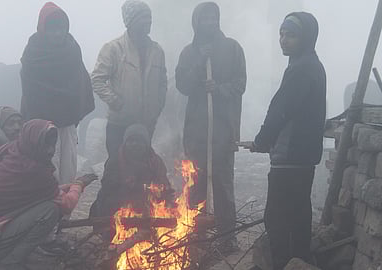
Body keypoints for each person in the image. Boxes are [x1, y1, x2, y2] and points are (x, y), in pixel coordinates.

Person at [0, 119, 97, 269]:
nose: (50, 150)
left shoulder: (13, 153)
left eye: (52, 144)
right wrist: (79, 185)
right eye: (46, 144)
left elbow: (47, 192)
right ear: (34, 142)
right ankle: (10, 263)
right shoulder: (33, 169)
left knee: (47, 204)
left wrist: (69, 186)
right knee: (50, 210)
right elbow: (67, 205)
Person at [245, 12, 326, 269]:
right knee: (298, 215)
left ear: (306, 38)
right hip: (302, 158)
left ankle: (284, 263)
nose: (283, 40)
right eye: (281, 34)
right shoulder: (309, 64)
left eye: (291, 35)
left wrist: (262, 140)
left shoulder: (301, 70)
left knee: (278, 219)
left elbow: (281, 111)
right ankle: (300, 259)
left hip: (290, 158)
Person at [175, 2, 246, 250]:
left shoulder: (233, 49)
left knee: (223, 185)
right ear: (196, 23)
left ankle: (228, 237)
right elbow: (182, 85)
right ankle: (198, 235)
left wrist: (220, 89)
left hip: (223, 130)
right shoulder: (188, 53)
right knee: (196, 184)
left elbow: (240, 84)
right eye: (204, 18)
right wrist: (199, 64)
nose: (209, 22)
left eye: (213, 17)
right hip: (196, 132)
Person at [20, 2, 94, 184]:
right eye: (52, 29)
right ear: (43, 29)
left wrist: (76, 110)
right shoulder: (33, 52)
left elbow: (81, 82)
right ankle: (45, 208)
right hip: (41, 124)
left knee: (67, 169)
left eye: (61, 28)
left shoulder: (72, 49)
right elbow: (31, 90)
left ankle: (64, 209)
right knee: (43, 169)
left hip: (68, 122)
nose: (58, 33)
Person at [92, 0, 167, 159]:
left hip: (146, 124)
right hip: (120, 123)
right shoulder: (113, 49)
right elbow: (97, 80)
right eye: (142, 19)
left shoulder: (157, 50)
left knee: (142, 168)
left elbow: (162, 83)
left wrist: (158, 106)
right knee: (116, 166)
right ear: (130, 22)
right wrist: (115, 101)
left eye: (149, 18)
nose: (147, 22)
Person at [89, 124, 174, 240]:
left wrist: (162, 193)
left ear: (146, 144)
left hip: (147, 204)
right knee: (108, 201)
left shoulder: (155, 161)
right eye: (131, 141)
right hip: (118, 204)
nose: (135, 145)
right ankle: (112, 235)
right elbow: (108, 187)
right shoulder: (115, 160)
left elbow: (163, 185)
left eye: (139, 141)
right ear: (125, 143)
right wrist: (132, 187)